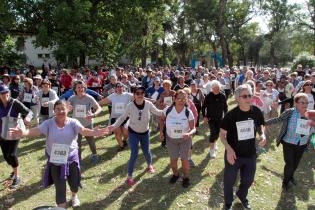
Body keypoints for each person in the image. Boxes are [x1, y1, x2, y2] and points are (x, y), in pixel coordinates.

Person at [9, 100, 109, 208]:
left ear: (68, 109)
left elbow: (83, 130)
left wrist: (94, 132)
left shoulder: (73, 122)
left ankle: (74, 196)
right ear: (53, 111)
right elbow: (36, 131)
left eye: (63, 109)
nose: (61, 111)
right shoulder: (48, 123)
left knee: (74, 183)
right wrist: (23, 133)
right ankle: (61, 207)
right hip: (55, 160)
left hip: (71, 158)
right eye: (58, 109)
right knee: (60, 187)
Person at [220, 84, 266, 210]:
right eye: (245, 96)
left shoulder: (256, 111)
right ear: (237, 98)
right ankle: (228, 203)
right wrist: (228, 150)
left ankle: (241, 194)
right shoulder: (231, 115)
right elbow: (222, 135)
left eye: (250, 95)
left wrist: (263, 135)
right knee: (229, 181)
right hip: (233, 154)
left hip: (250, 153)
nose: (248, 98)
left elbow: (261, 125)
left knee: (249, 180)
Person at [107, 86, 163, 186]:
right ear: (134, 95)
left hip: (145, 133)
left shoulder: (148, 104)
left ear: (144, 94)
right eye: (137, 93)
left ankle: (149, 165)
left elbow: (158, 112)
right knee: (134, 154)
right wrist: (113, 126)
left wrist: (169, 109)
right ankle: (129, 176)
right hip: (133, 133)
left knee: (146, 150)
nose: (140, 95)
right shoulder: (130, 106)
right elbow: (122, 118)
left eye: (142, 93)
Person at [265, 93, 314, 191]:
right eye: (302, 102)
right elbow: (278, 119)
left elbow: (312, 128)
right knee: (290, 164)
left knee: (295, 164)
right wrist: (264, 122)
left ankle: (290, 176)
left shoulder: (311, 114)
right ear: (295, 103)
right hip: (289, 143)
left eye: (306, 102)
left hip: (302, 144)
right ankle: (285, 182)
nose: (305, 105)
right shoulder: (290, 112)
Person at [160, 90, 196, 188]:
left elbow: (193, 128)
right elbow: (162, 119)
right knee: (173, 160)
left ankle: (186, 177)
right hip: (171, 139)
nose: (181, 100)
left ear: (186, 100)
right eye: (179, 98)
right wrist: (161, 132)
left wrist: (189, 133)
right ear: (174, 99)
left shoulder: (188, 112)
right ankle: (175, 175)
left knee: (184, 160)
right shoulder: (168, 110)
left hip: (185, 140)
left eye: (184, 98)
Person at [0, 85, 33, 189]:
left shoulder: (15, 103)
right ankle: (14, 169)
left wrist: (27, 118)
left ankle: (16, 176)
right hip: (2, 134)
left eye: (6, 92)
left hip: (15, 132)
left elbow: (30, 112)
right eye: (2, 93)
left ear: (9, 93)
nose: (5, 95)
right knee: (6, 156)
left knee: (12, 154)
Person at [68, 80, 102, 164]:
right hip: (76, 125)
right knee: (77, 143)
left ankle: (94, 155)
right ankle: (78, 158)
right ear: (75, 89)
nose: (81, 89)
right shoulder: (72, 98)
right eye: (78, 87)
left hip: (87, 124)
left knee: (91, 142)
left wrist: (93, 115)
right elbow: (66, 108)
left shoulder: (89, 98)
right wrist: (68, 108)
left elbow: (99, 108)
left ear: (85, 88)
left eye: (82, 87)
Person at [99, 82, 133, 151]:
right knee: (117, 132)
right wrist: (92, 104)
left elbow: (139, 97)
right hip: (114, 117)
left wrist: (150, 100)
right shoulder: (112, 96)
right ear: (115, 88)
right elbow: (102, 102)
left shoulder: (127, 95)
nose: (120, 88)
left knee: (126, 133)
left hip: (125, 117)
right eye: (118, 87)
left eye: (121, 86)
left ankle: (124, 140)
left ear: (123, 88)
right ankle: (121, 146)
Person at [202, 80, 228, 158]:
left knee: (217, 134)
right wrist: (204, 116)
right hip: (210, 118)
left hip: (220, 118)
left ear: (219, 88)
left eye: (217, 88)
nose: (216, 90)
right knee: (213, 133)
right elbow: (203, 107)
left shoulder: (222, 95)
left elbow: (225, 107)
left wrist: (226, 116)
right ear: (212, 88)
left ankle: (214, 143)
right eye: (214, 88)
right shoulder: (209, 96)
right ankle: (212, 150)